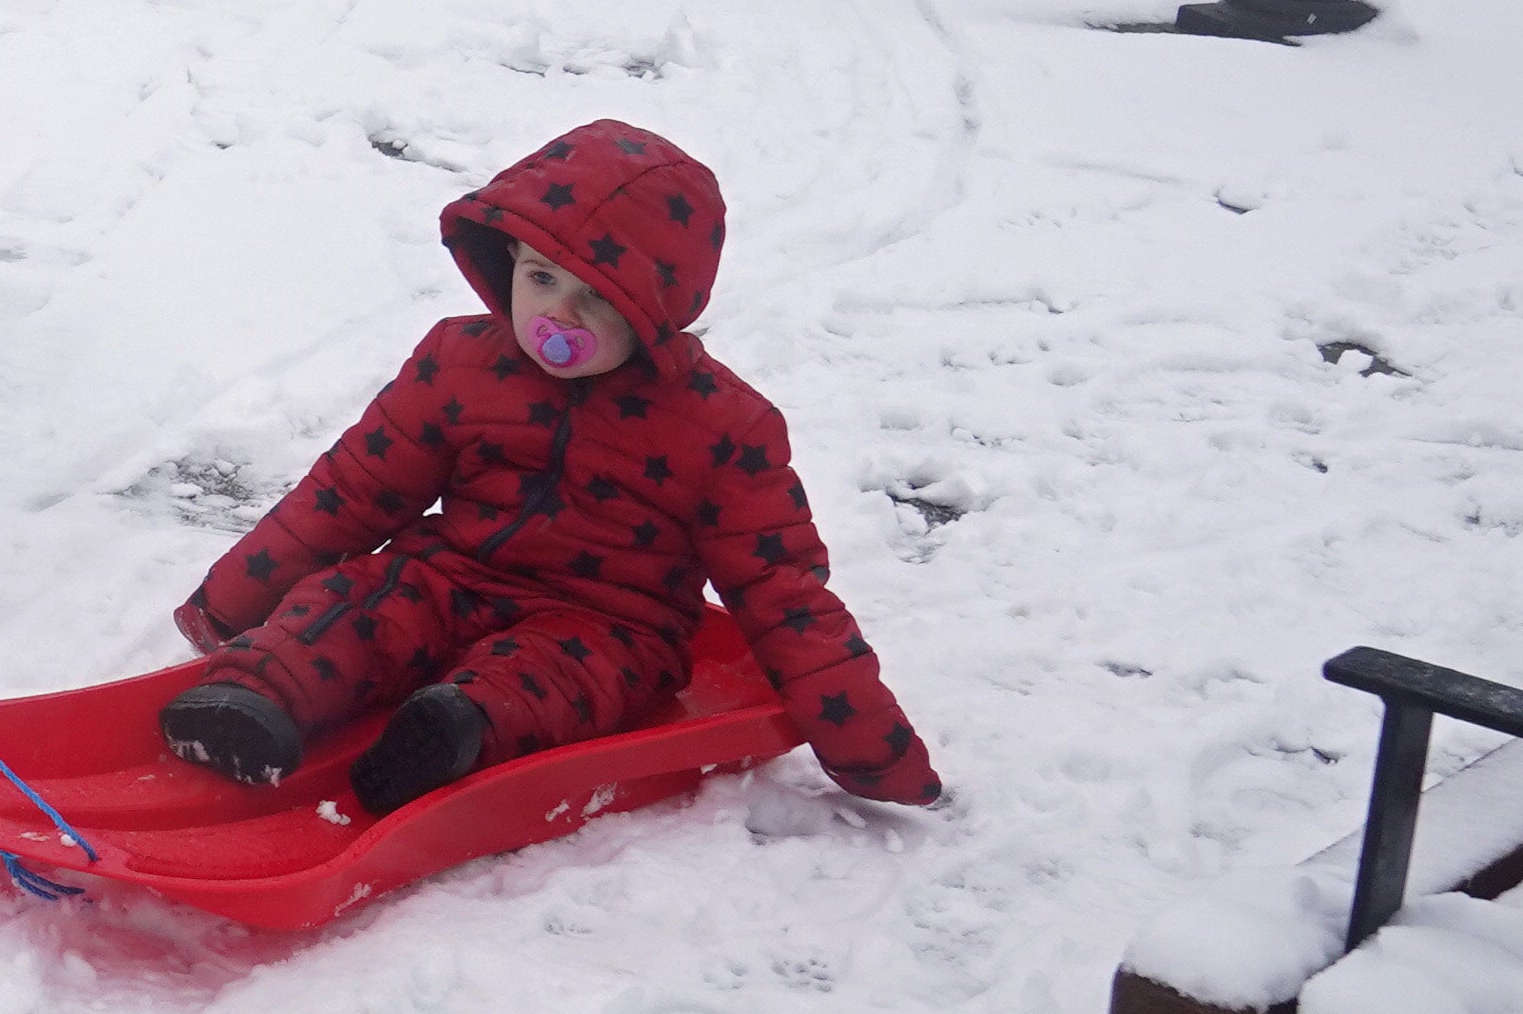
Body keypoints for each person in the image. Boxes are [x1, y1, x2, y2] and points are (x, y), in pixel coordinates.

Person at [153, 119, 940, 815]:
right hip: (453, 576)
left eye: (597, 298)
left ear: (656, 308)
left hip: (609, 622)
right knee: (361, 600)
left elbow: (783, 594)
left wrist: (873, 753)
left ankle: (450, 735)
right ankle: (253, 701)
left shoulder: (723, 429)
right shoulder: (459, 361)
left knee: (551, 681)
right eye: (540, 279)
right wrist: (228, 606)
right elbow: (353, 489)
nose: (557, 316)